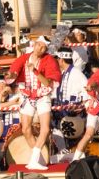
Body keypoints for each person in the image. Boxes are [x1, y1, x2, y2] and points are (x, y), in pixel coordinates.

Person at [5, 36, 61, 170]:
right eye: (38, 45)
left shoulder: (49, 60)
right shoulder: (23, 58)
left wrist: (35, 71)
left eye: (43, 47)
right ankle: (39, 159)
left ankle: (34, 159)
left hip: (42, 95)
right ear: (34, 45)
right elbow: (13, 72)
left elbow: (48, 82)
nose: (40, 49)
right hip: (27, 96)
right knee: (25, 129)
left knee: (45, 129)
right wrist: (11, 75)